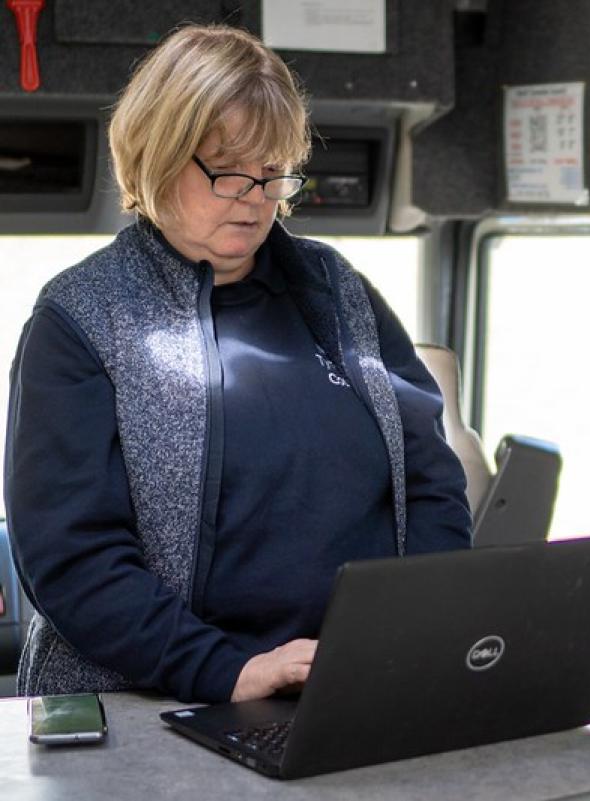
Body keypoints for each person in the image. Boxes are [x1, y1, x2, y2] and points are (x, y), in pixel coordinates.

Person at [3, 24, 472, 703]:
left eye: (274, 169)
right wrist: (228, 669)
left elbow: (430, 480)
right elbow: (73, 557)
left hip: (349, 686)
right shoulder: (81, 318)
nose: (255, 194)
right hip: (159, 699)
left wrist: (407, 634)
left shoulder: (337, 289)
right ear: (157, 157)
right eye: (227, 168)